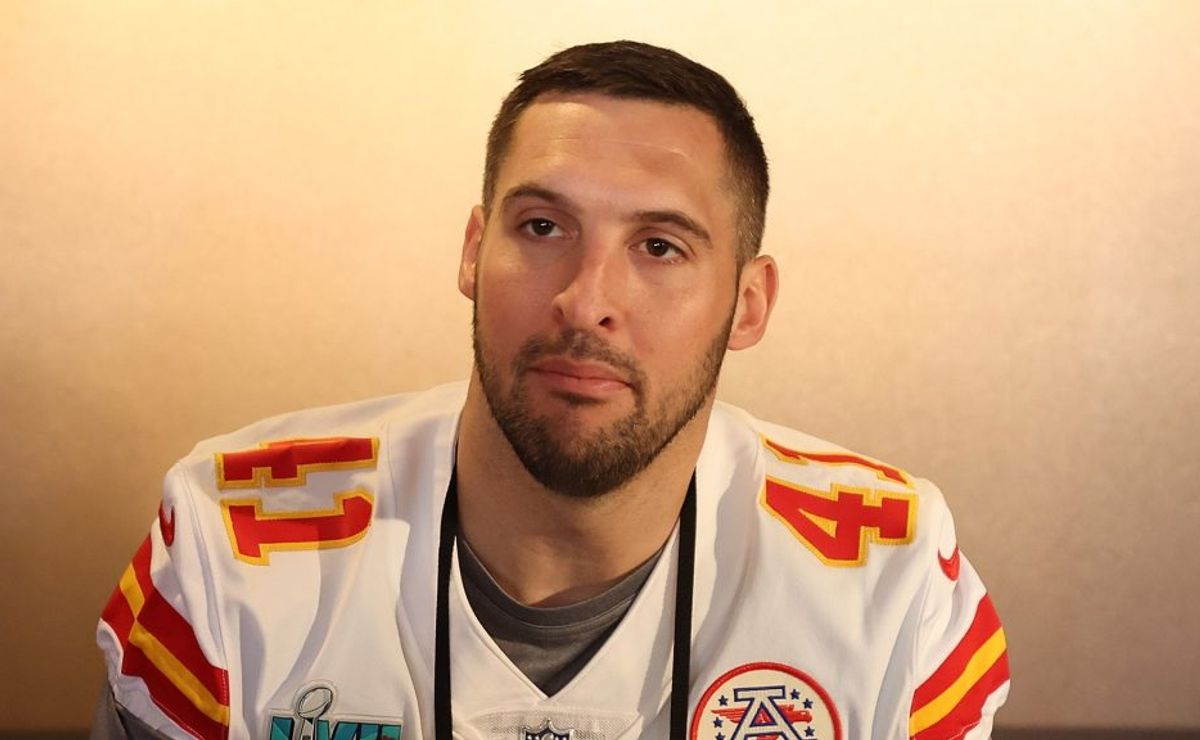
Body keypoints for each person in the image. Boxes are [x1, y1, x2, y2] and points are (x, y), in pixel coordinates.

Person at [94, 40, 1009, 740]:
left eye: (659, 247)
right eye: (541, 226)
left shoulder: (894, 579)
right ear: (471, 252)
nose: (586, 301)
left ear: (749, 304)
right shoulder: (225, 547)